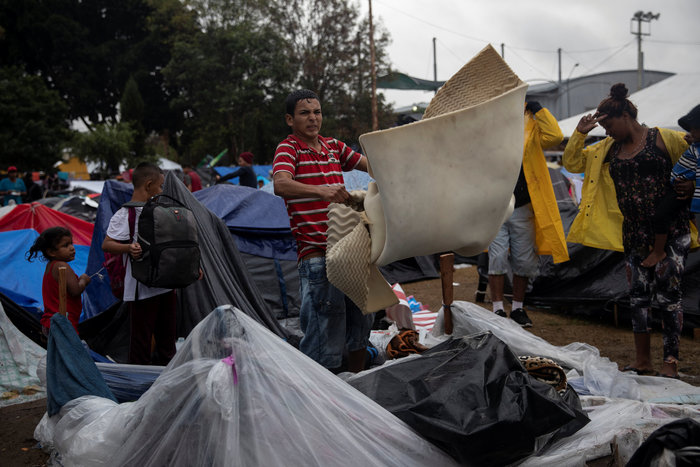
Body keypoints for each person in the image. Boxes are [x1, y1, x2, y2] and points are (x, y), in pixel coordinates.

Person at [563, 83, 691, 379]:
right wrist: (580, 134)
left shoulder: (664, 139)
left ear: (624, 116)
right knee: (638, 296)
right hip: (633, 233)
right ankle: (643, 360)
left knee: (669, 294)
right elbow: (572, 163)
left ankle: (670, 362)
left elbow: (695, 163)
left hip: (670, 230)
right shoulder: (607, 149)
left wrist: (692, 185)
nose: (606, 131)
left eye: (608, 124)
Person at [272, 89, 372, 373]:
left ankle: (358, 381)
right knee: (324, 332)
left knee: (361, 322)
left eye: (317, 112)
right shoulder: (288, 148)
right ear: (290, 119)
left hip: (350, 252)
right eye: (304, 113)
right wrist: (322, 190)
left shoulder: (333, 147)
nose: (313, 118)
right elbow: (281, 184)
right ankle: (321, 401)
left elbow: (371, 166)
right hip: (317, 256)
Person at [488, 101, 569, 327]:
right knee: (496, 257)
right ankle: (497, 309)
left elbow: (554, 137)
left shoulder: (531, 130)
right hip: (497, 206)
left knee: (524, 260)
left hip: (523, 206)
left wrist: (540, 110)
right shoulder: (492, 131)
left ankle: (517, 309)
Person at [102, 162, 177, 365]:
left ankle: (169, 382)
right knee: (140, 343)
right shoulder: (125, 215)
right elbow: (107, 244)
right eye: (160, 186)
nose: (161, 191)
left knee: (168, 342)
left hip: (165, 286)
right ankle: (139, 387)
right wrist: (128, 248)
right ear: (149, 184)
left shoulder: (162, 211)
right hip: (141, 289)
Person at [641, 104, 700, 267]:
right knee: (684, 213)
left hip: (681, 189)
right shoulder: (696, 145)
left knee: (660, 215)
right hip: (677, 185)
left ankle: (659, 251)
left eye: (696, 129)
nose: (692, 132)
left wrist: (694, 191)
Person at [26, 226, 91, 336]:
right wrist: (83, 280)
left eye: (71, 243)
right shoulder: (62, 266)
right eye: (65, 245)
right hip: (62, 324)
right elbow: (75, 290)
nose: (72, 248)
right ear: (51, 252)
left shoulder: (51, 266)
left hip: (51, 323)